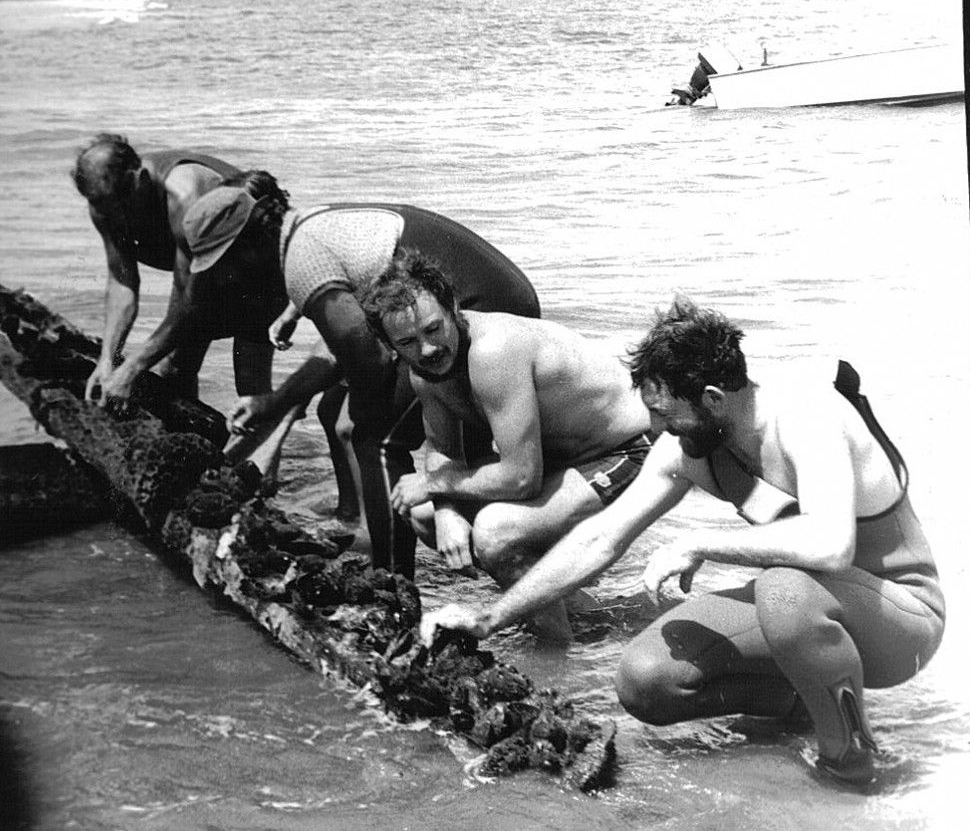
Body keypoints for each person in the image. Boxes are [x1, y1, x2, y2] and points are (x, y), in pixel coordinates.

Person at [421, 296, 945, 785]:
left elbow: (832, 546)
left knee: (784, 589)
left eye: (668, 415)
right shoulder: (689, 446)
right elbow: (600, 539)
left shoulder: (806, 416)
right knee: (647, 680)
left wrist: (701, 543)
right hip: (812, 611)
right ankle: (805, 705)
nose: (660, 429)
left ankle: (852, 765)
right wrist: (490, 617)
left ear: (713, 399)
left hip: (900, 618)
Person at [227, 202, 541, 578]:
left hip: (465, 310)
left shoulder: (301, 261)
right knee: (467, 453)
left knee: (376, 438)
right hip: (501, 295)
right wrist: (279, 401)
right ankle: (517, 563)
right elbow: (348, 345)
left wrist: (345, 412)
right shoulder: (312, 222)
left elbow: (367, 357)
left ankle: (391, 582)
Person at [357, 249, 653, 639]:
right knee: (426, 517)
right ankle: (582, 613)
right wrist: (445, 509)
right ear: (390, 345)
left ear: (452, 309)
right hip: (562, 465)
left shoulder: (493, 350)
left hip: (627, 450)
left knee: (496, 534)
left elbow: (521, 479)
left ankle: (554, 658)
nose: (427, 349)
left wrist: (432, 485)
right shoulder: (425, 373)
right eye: (408, 342)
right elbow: (443, 452)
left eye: (433, 329)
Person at [71, 133, 272, 406]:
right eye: (99, 206)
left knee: (251, 385)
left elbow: (189, 302)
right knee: (174, 372)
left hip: (256, 267)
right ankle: (202, 442)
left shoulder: (184, 195)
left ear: (140, 178)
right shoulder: (104, 203)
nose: (113, 217)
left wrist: (131, 368)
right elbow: (122, 282)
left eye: (119, 205)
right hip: (206, 274)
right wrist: (108, 357)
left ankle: (267, 440)